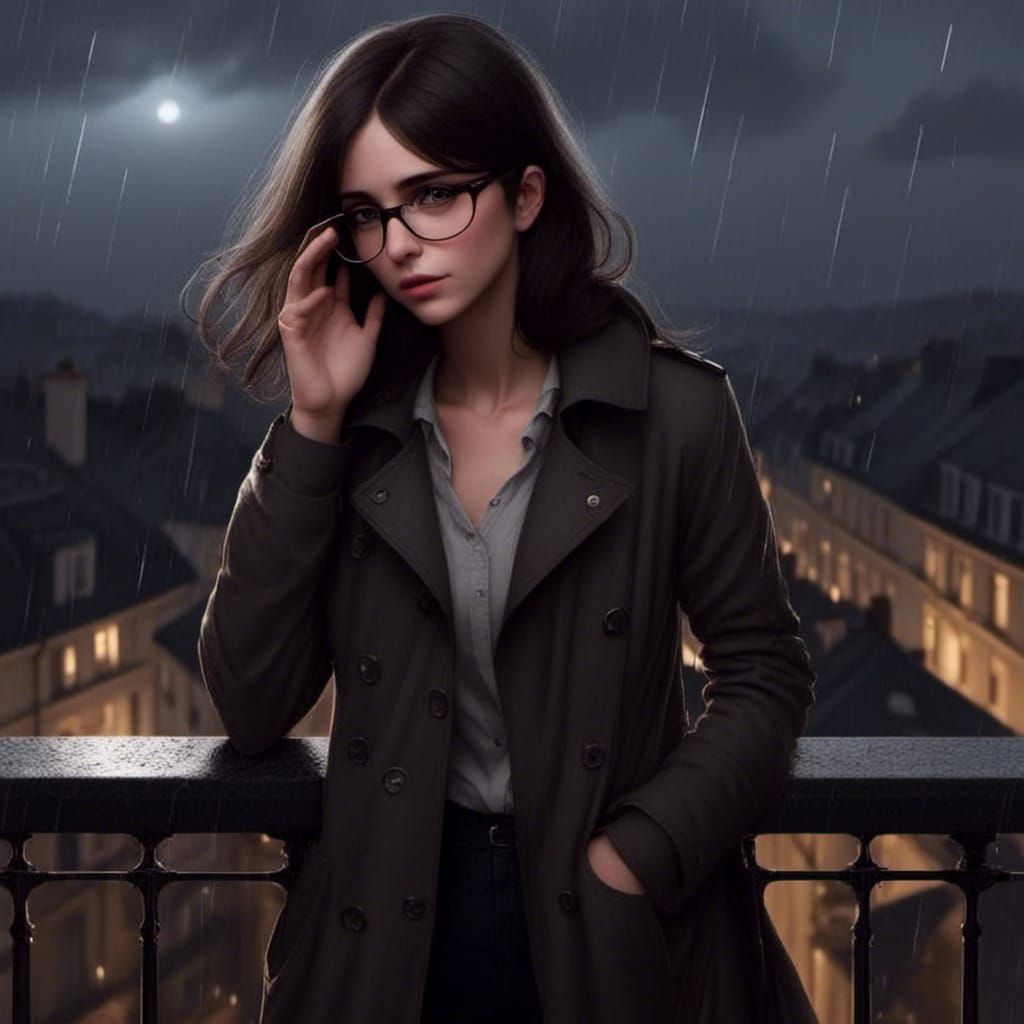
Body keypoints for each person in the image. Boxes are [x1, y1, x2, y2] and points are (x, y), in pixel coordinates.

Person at [187, 12, 819, 1024]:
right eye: (365, 212)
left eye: (435, 195)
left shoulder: (676, 417)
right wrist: (311, 419)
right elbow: (253, 701)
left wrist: (639, 851)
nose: (398, 245)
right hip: (391, 934)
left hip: (608, 925)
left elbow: (763, 671)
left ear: (526, 195)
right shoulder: (353, 435)